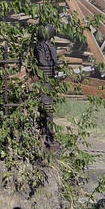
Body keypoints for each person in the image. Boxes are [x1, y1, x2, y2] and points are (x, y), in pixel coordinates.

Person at [34, 24, 59, 152]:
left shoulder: (38, 47)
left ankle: (45, 134)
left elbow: (41, 62)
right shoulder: (51, 48)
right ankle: (46, 134)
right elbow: (55, 63)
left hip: (44, 80)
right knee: (47, 106)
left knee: (45, 105)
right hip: (48, 80)